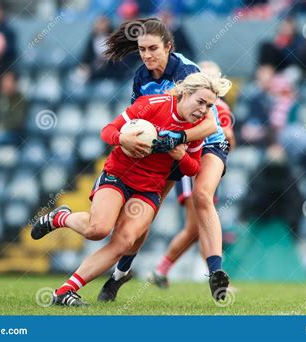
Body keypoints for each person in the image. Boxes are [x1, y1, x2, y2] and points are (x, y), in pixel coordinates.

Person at [30, 72, 232, 306]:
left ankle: (65, 292)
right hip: (118, 176)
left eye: (208, 106)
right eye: (200, 102)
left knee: (125, 242)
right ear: (185, 93)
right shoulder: (151, 105)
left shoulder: (197, 128)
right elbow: (107, 131)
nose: (203, 110)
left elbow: (192, 168)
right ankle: (60, 217)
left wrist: (180, 155)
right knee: (98, 229)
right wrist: (122, 139)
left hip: (149, 190)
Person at [97, 18, 231, 302]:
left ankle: (216, 273)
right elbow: (137, 119)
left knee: (203, 196)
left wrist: (179, 140)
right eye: (142, 49)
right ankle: (120, 275)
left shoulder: (186, 71)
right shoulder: (141, 77)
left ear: (168, 47)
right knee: (145, 212)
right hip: (167, 149)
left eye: (153, 49)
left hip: (206, 141)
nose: (146, 55)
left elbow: (209, 124)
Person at [149, 60, 236, 288]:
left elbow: (228, 141)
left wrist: (223, 135)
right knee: (196, 224)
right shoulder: (185, 102)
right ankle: (211, 271)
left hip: (206, 160)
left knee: (197, 224)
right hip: (190, 160)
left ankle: (173, 271)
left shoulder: (218, 109)